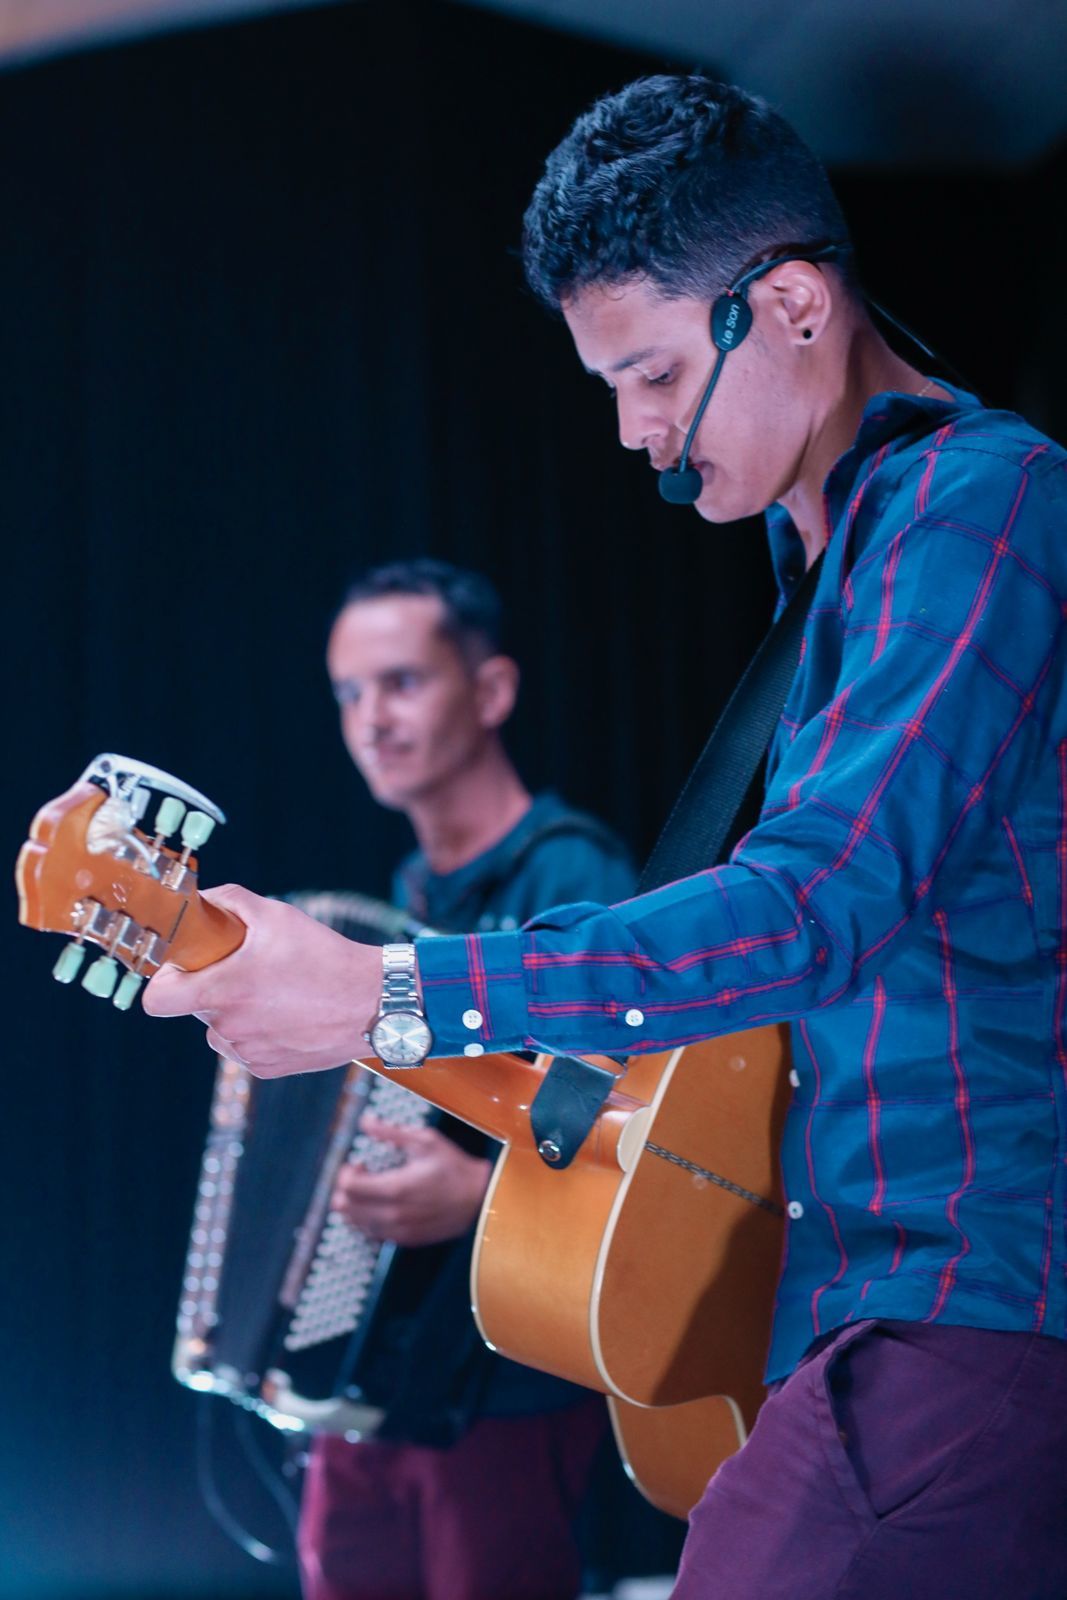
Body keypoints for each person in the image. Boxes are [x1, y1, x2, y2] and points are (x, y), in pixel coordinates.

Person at [145, 76, 1067, 1599]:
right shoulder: (826, 549)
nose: (635, 436)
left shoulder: (973, 503)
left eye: (647, 375)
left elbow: (811, 906)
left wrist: (383, 994)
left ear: (786, 306)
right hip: (857, 1301)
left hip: (970, 1298)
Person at [295, 558, 637, 1600]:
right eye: (350, 694)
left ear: (489, 692)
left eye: (402, 682)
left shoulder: (575, 882)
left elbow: (634, 1134)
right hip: (383, 1367)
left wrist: (480, 1194)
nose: (371, 720)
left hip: (510, 1377)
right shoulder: (402, 896)